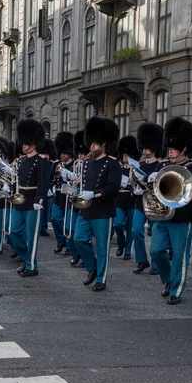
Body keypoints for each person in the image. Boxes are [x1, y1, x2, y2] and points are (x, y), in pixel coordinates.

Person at [149, 118, 192, 305]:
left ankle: (176, 290)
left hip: (182, 216)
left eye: (174, 148)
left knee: (180, 255)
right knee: (156, 250)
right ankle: (168, 280)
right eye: (169, 148)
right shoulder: (162, 165)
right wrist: (149, 180)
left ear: (184, 149)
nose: (170, 151)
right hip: (162, 215)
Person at [73, 117, 121, 291]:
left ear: (104, 144)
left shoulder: (112, 163)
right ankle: (92, 268)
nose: (92, 147)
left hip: (102, 210)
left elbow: (113, 188)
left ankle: (101, 278)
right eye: (91, 143)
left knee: (102, 247)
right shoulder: (86, 163)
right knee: (79, 239)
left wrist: (94, 194)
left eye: (95, 144)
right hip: (86, 209)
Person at [10, 119, 51, 277]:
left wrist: (39, 200)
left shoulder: (41, 161)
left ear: (34, 143)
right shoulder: (21, 161)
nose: (23, 145)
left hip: (33, 202)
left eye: (26, 143)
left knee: (31, 236)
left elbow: (43, 183)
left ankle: (31, 266)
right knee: (14, 232)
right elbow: (18, 181)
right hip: (20, 201)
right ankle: (26, 258)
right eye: (23, 142)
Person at [131, 123, 164, 275]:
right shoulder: (140, 165)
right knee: (136, 230)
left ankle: (156, 263)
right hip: (140, 203)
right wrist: (135, 189)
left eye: (147, 147)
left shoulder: (161, 165)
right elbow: (134, 185)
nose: (144, 149)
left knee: (156, 233)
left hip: (156, 205)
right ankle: (141, 260)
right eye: (143, 147)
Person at [114, 135, 140, 260]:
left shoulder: (136, 168)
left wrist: (130, 183)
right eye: (124, 156)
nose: (126, 158)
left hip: (132, 199)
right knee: (117, 224)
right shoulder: (117, 168)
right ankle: (121, 244)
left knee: (130, 227)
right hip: (119, 199)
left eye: (128, 156)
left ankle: (128, 250)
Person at [51, 132, 75, 255]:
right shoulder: (57, 164)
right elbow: (51, 178)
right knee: (55, 219)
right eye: (61, 153)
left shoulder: (75, 164)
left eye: (65, 153)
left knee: (68, 224)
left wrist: (69, 175)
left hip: (69, 196)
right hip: (58, 196)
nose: (62, 155)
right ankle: (61, 242)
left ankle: (70, 246)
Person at [69, 131, 89, 267]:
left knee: (83, 235)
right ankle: (76, 254)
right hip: (76, 200)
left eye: (83, 154)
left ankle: (84, 257)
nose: (80, 156)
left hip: (87, 202)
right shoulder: (77, 165)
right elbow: (74, 184)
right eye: (79, 154)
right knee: (72, 230)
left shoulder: (89, 165)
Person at [39, 139, 57, 237]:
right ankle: (40, 227)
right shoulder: (41, 162)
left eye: (47, 154)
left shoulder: (52, 164)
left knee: (47, 209)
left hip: (50, 187)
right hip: (41, 188)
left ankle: (44, 227)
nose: (45, 155)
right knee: (41, 208)